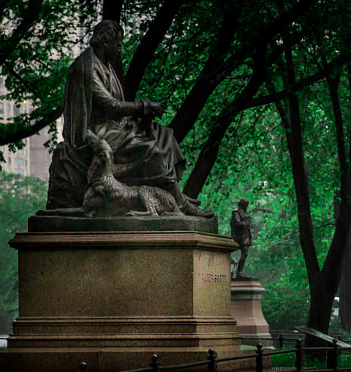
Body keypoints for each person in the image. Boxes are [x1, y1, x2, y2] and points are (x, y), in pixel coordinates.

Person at [45, 20, 210, 217]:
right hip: (95, 130)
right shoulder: (86, 68)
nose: (121, 50)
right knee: (151, 150)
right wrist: (144, 106)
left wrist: (141, 116)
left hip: (113, 126)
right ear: (105, 42)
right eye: (119, 44)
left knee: (165, 136)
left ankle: (173, 193)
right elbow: (110, 106)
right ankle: (180, 203)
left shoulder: (106, 66)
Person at [231, 198, 252, 278]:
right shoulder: (236, 212)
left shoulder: (244, 213)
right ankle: (238, 272)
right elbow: (237, 224)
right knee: (244, 253)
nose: (247, 206)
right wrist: (245, 222)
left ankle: (239, 272)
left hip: (245, 236)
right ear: (242, 204)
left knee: (245, 253)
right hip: (240, 237)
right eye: (246, 204)